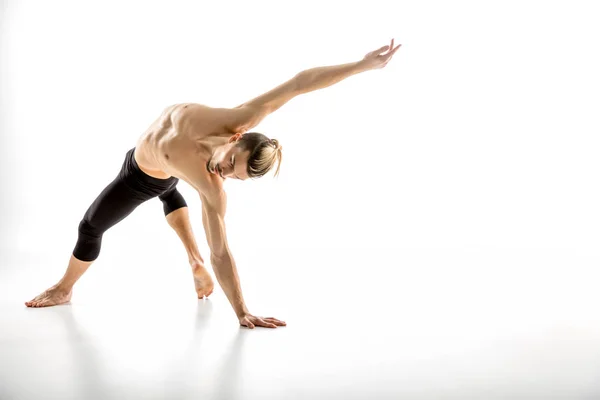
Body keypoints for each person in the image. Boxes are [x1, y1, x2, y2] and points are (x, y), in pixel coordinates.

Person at [25, 39, 402, 328]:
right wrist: (362, 65)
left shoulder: (211, 186)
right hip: (157, 161)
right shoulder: (242, 117)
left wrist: (243, 311)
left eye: (232, 178)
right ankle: (192, 259)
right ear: (238, 138)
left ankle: (64, 288)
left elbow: (222, 253)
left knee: (91, 226)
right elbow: (300, 83)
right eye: (230, 164)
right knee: (172, 188)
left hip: (141, 176)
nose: (223, 174)